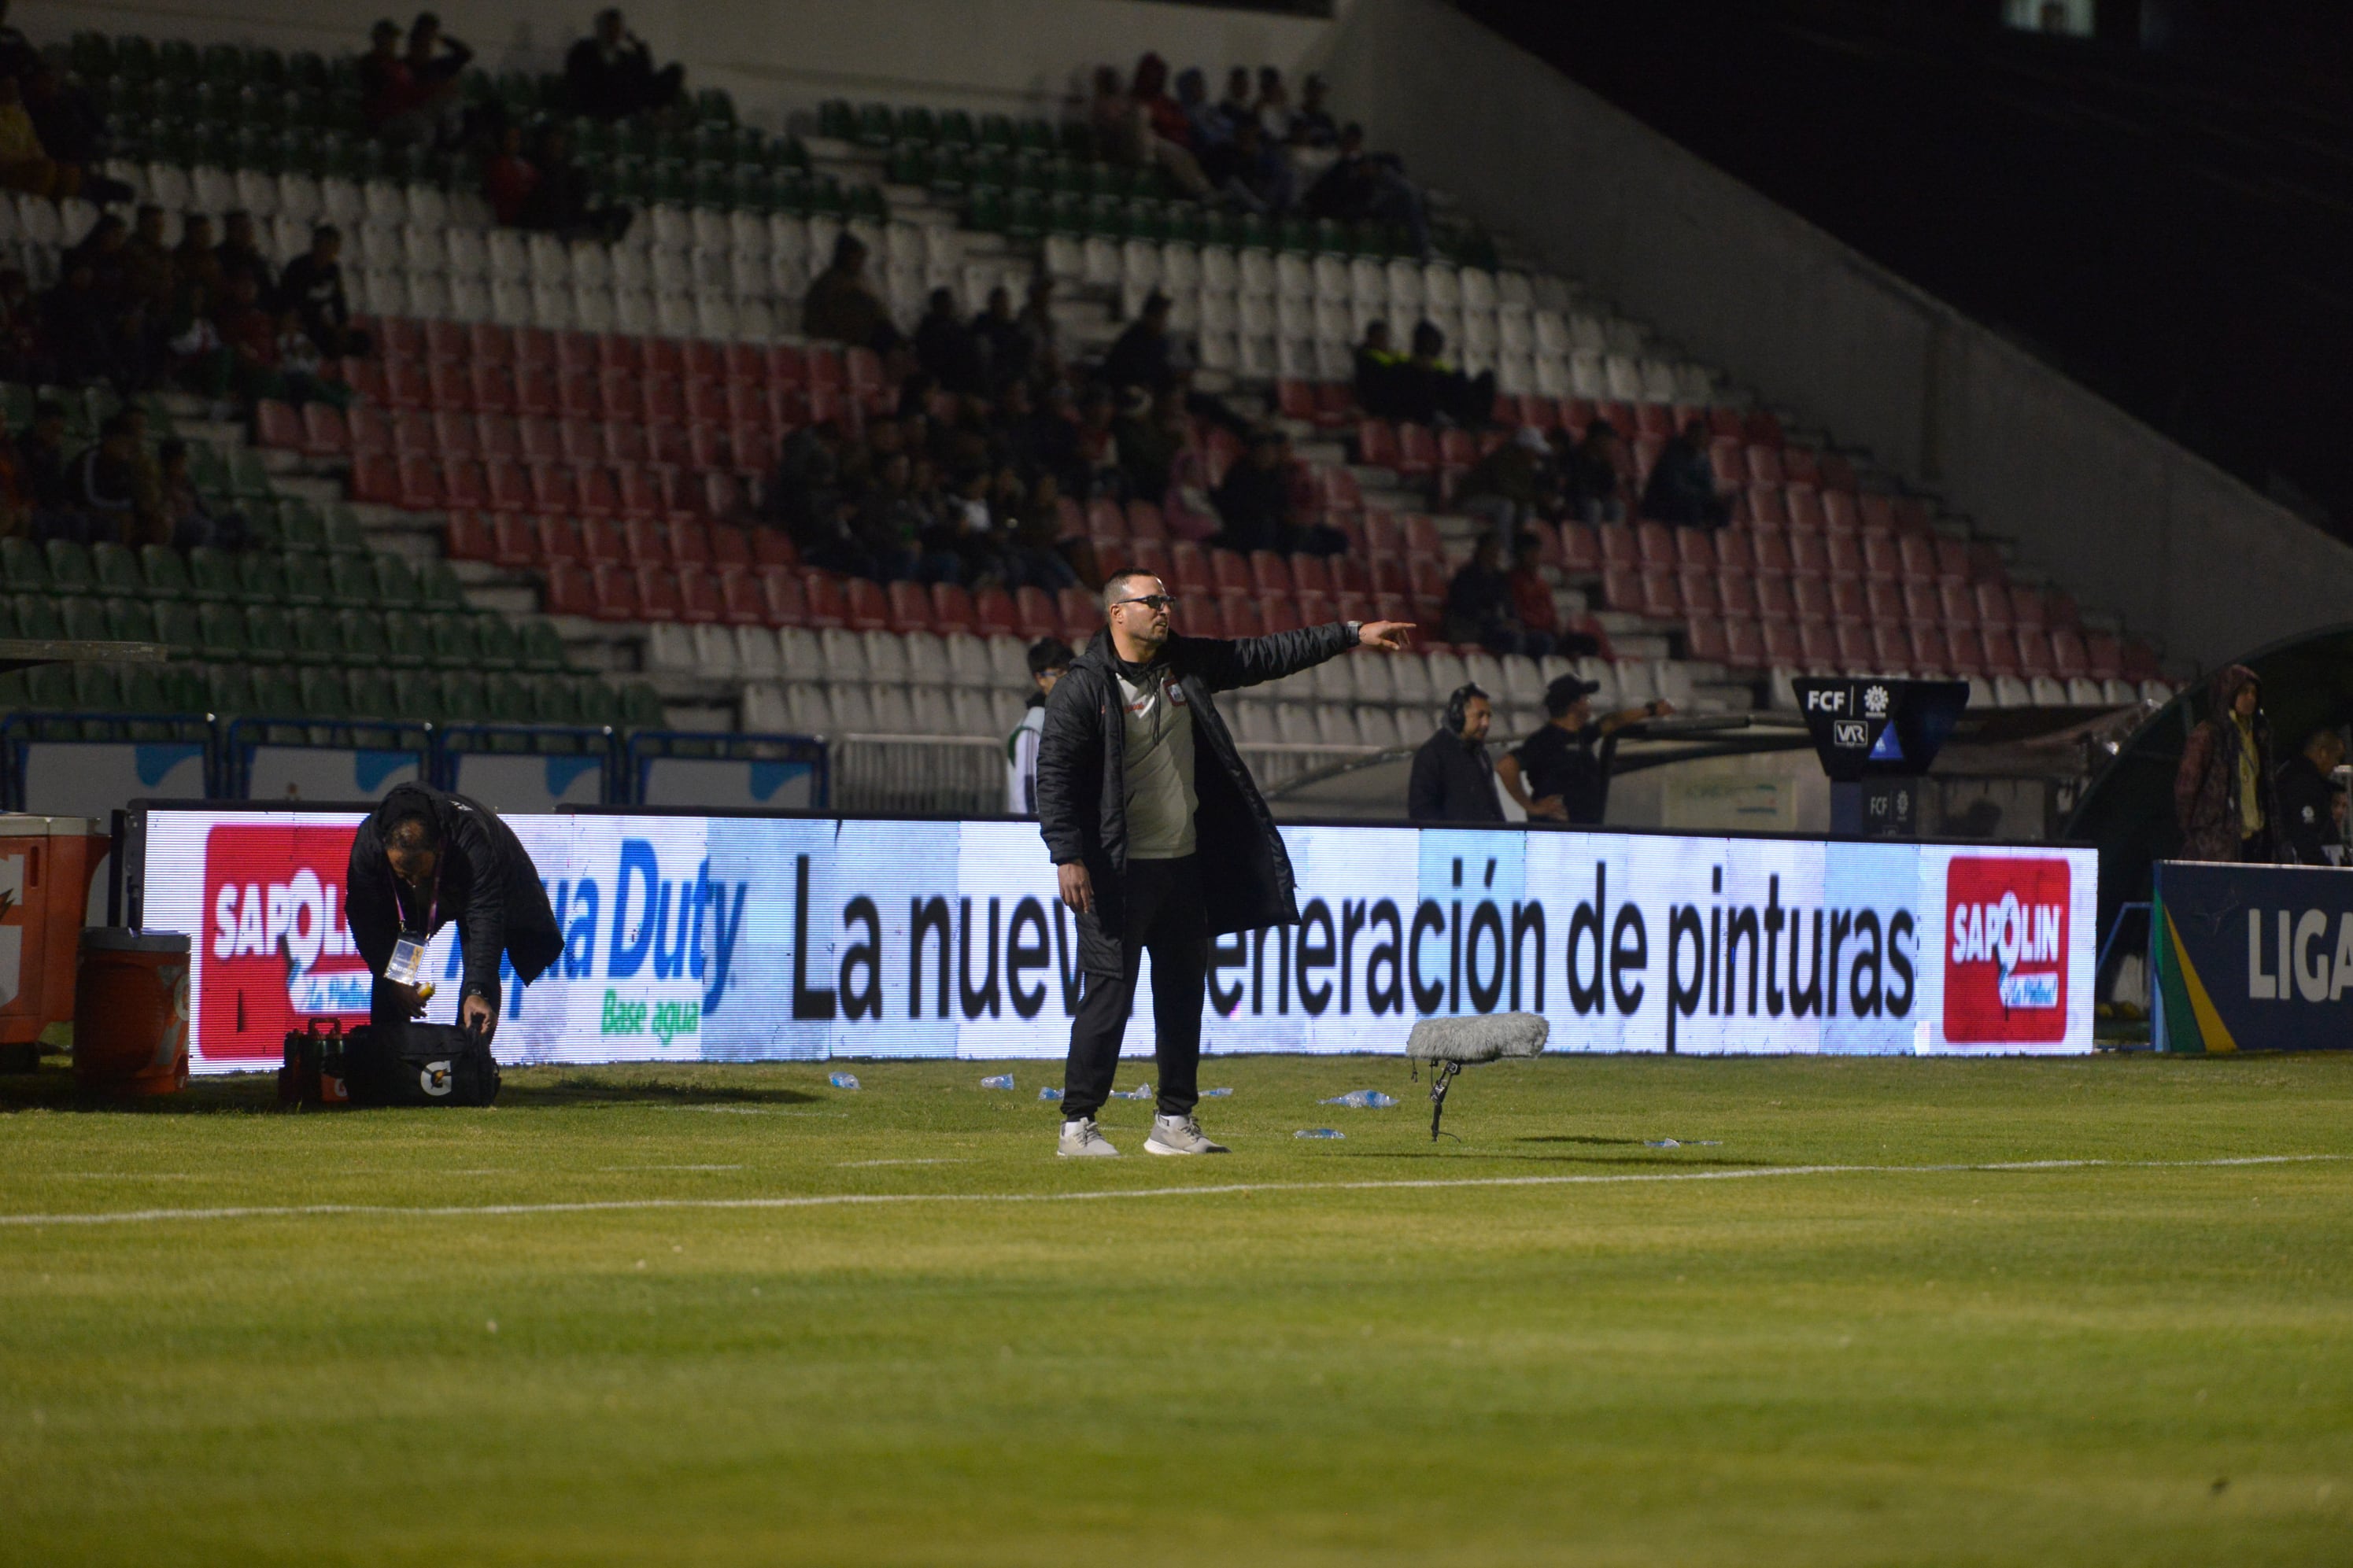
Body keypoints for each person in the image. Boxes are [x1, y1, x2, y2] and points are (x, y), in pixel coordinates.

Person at [1036, 570, 1415, 1157]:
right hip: (1118, 870)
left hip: (1182, 864)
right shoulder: (1083, 688)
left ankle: (1174, 1121)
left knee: (1183, 994)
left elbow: (1263, 654)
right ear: (1117, 613)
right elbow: (1054, 775)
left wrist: (1351, 633)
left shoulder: (1184, 664)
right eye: (1152, 601)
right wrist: (1067, 854)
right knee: (1108, 996)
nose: (1165, 609)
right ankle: (1077, 1124)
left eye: (1167, 599)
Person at [345, 781, 564, 1044]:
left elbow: (485, 920)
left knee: (479, 973)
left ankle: (470, 1059)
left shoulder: (471, 841)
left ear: (438, 848)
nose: (414, 883)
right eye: (404, 876)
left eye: (420, 875)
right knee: (393, 960)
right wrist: (392, 978)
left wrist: (478, 990)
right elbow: (366, 919)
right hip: (434, 882)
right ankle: (390, 1056)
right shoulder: (369, 846)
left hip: (484, 874)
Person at [1499, 675, 1671, 825]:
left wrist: (1650, 710)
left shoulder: (1582, 735)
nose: (1589, 703)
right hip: (1556, 832)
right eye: (1585, 699)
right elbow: (1506, 766)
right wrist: (1531, 807)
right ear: (1573, 705)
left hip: (1583, 828)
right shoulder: (1545, 741)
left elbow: (1611, 722)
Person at [2174, 664, 2277, 862]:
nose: (2251, 699)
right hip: (2218, 838)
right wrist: (2198, 828)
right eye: (2244, 692)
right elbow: (2187, 787)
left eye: (2254, 693)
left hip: (2254, 836)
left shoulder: (2258, 736)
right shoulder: (2207, 735)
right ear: (2229, 693)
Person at [1407, 683, 1505, 824]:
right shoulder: (1432, 754)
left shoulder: (1480, 754)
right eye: (1480, 715)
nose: (1486, 723)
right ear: (1458, 715)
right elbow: (1421, 812)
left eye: (1488, 716)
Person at [1442, 534, 1552, 659]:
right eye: (1492, 549)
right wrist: (1497, 622)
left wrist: (1513, 621)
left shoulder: (1499, 578)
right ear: (1482, 550)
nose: (1496, 554)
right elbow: (1468, 610)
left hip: (1494, 626)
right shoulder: (1465, 577)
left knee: (1541, 640)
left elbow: (1508, 604)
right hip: (1471, 628)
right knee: (1511, 639)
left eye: (1497, 550)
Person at [566, 8, 684, 121]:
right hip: (606, 100)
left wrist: (639, 49)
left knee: (674, 72)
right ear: (601, 29)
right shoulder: (586, 50)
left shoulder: (623, 56)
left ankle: (659, 112)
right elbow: (583, 79)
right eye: (610, 28)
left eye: (617, 28)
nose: (614, 33)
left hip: (631, 97)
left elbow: (646, 75)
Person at [275, 226, 369, 359]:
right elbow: (288, 302)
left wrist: (342, 326)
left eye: (331, 246)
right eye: (323, 244)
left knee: (361, 341)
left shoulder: (333, 270)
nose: (326, 250)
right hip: (298, 321)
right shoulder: (298, 267)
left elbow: (339, 301)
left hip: (318, 321)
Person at [1005, 636, 1073, 816]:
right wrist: (1034, 830)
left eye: (1070, 673)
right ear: (1040, 679)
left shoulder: (1066, 721)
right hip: (1036, 836)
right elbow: (1027, 791)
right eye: (1058, 673)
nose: (1068, 680)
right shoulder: (1033, 728)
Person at [801, 233, 894, 352]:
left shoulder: (847, 281)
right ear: (848, 257)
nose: (861, 264)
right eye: (858, 259)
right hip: (834, 336)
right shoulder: (836, 284)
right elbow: (844, 318)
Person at [2274, 726, 2346, 866]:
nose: (2336, 764)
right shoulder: (2301, 782)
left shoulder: (2302, 775)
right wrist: (2326, 870)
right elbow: (2304, 835)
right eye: (2336, 758)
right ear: (2323, 753)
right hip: (2305, 874)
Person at [1641, 419, 1729, 527]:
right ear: (1688, 436)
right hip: (1663, 504)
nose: (1701, 440)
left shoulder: (1702, 458)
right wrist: (1701, 495)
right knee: (1693, 506)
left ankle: (1716, 539)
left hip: (1692, 500)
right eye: (1697, 436)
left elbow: (1707, 486)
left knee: (1723, 506)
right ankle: (1693, 538)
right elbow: (1674, 488)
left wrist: (1714, 496)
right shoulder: (1672, 454)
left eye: (1703, 437)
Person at [913, 286, 985, 398]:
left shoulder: (957, 328)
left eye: (948, 303)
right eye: (944, 303)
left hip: (963, 381)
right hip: (943, 382)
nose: (948, 306)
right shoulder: (927, 331)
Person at [1101, 290, 1178, 394]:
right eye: (1159, 317)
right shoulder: (1130, 341)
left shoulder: (1161, 342)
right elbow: (1119, 374)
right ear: (1148, 316)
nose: (1163, 323)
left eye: (1164, 318)